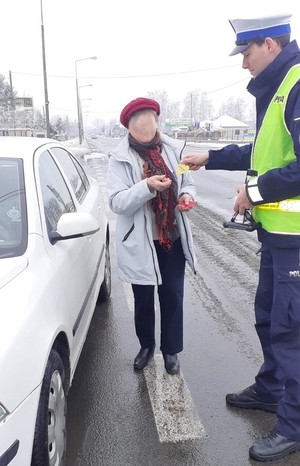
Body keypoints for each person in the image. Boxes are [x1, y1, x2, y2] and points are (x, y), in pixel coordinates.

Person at [181, 13, 300, 463]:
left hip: (296, 240)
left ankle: (293, 425)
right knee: (269, 318)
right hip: (279, 238)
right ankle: (271, 390)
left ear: (269, 44)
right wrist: (210, 156)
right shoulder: (280, 87)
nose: (242, 63)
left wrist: (253, 192)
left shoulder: (297, 83)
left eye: (246, 52)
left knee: (292, 332)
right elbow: (264, 151)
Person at [107, 97, 197, 375]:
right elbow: (117, 202)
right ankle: (146, 345)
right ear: (130, 130)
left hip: (171, 236)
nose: (149, 138)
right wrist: (146, 186)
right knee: (143, 298)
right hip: (140, 241)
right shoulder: (120, 159)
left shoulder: (172, 150)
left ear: (157, 124)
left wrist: (185, 195)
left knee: (172, 296)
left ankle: (170, 350)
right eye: (141, 133)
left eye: (151, 131)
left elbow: (188, 181)